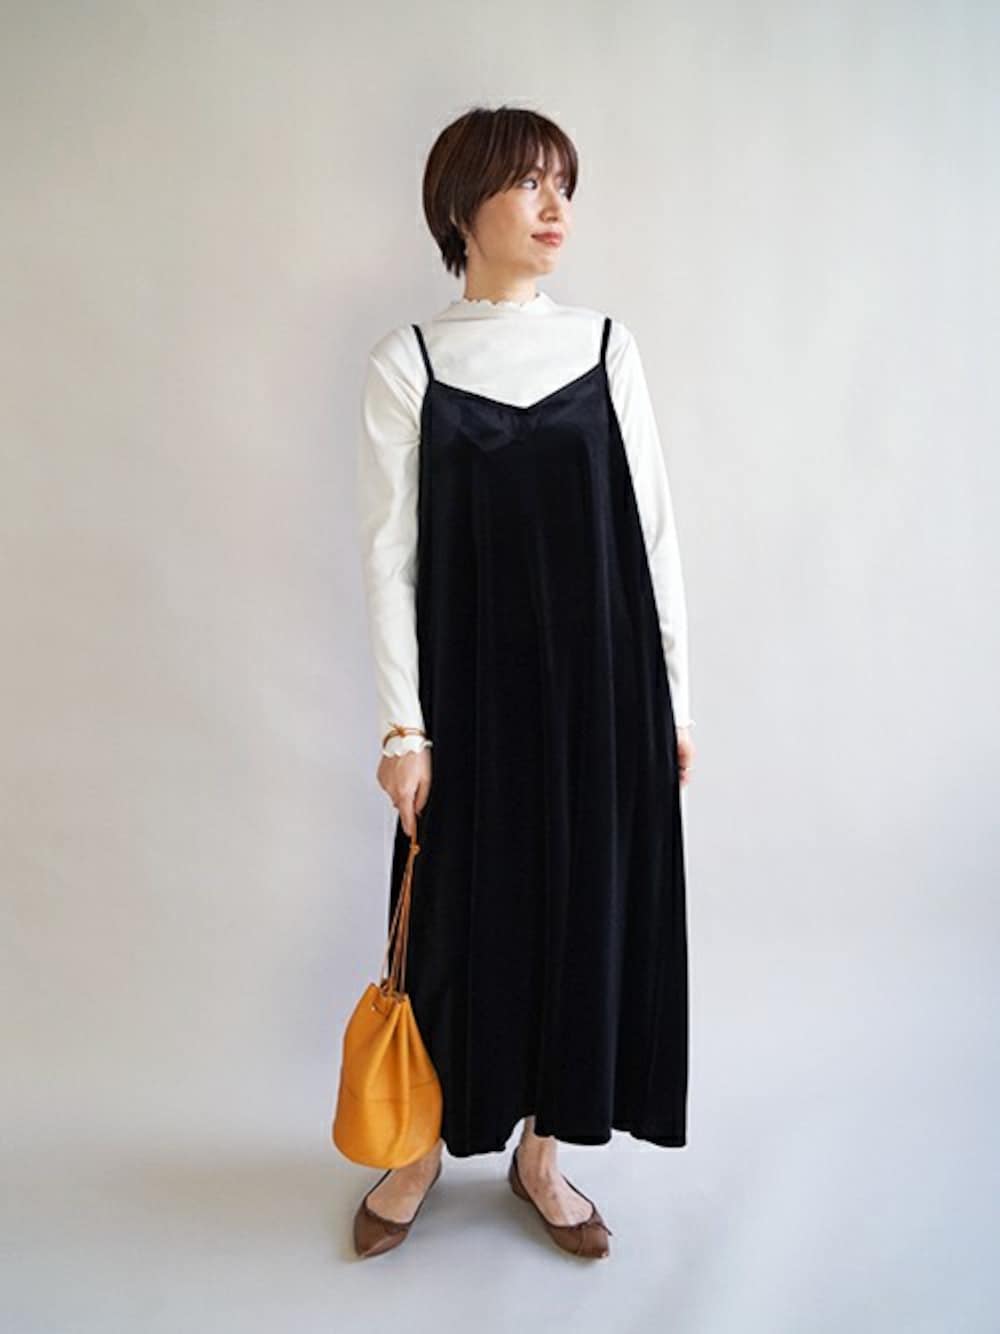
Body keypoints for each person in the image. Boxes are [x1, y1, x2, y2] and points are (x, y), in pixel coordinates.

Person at [352, 104, 696, 1260]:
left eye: (564, 185)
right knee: (453, 920)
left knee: (584, 913)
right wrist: (403, 727)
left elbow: (654, 535)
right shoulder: (409, 360)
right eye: (528, 183)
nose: (555, 208)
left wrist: (675, 700)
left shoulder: (605, 347)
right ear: (462, 208)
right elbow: (389, 556)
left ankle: (542, 1155)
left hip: (605, 691)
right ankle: (418, 1147)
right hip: (468, 700)